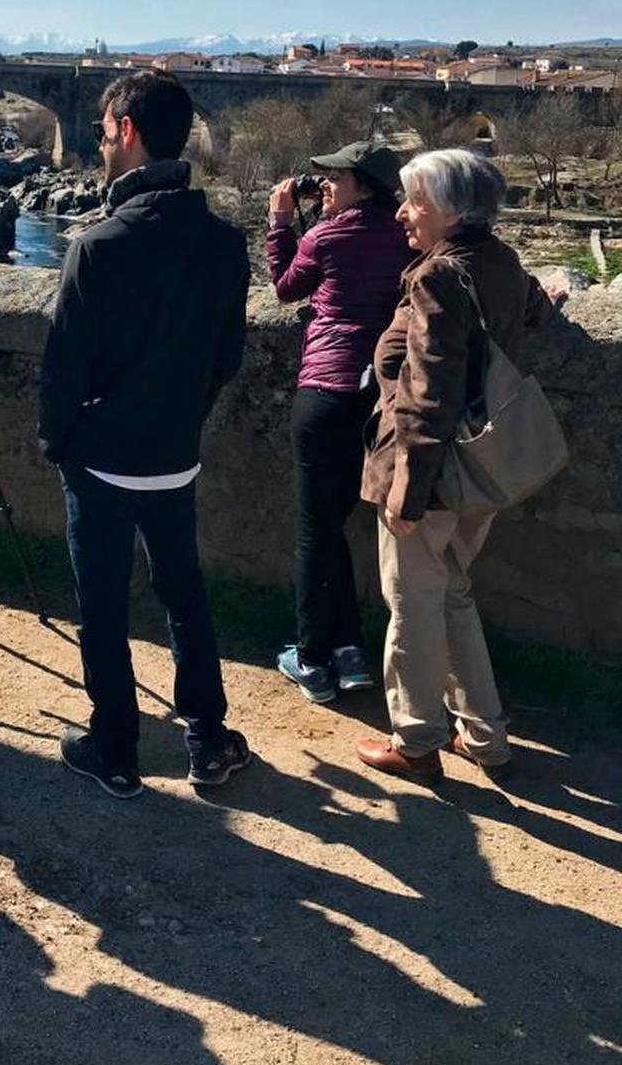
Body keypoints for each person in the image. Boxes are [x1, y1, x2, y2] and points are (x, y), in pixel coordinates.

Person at [39, 70, 251, 799]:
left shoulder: (98, 246)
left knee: (102, 603)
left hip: (103, 459)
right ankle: (206, 739)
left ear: (126, 132)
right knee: (183, 593)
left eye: (102, 132)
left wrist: (60, 441)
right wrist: (185, 418)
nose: (99, 144)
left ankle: (117, 748)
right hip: (174, 456)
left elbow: (63, 368)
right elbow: (227, 357)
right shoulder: (225, 243)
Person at [356, 148, 562, 784]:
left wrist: (406, 493)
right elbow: (532, 311)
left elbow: (428, 392)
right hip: (483, 468)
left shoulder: (437, 277)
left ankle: (416, 742)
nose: (401, 214)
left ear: (449, 209)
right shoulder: (500, 261)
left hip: (434, 476)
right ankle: (485, 735)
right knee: (454, 595)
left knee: (412, 604)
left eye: (414, 201)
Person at [266, 141, 411, 703]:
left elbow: (283, 288)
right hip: (378, 397)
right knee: (333, 524)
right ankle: (349, 650)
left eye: (336, 177)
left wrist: (281, 221)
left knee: (314, 530)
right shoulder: (405, 235)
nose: (323, 184)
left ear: (365, 185)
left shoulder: (326, 235)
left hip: (325, 389)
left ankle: (310, 660)